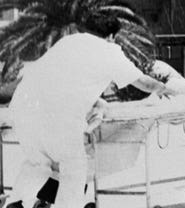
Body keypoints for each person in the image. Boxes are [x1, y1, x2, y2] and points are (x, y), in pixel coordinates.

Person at [7, 12, 172, 208]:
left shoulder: (67, 42)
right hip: (58, 117)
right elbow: (143, 82)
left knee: (38, 163)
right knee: (73, 168)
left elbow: (63, 80)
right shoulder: (109, 51)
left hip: (22, 110)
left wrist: (97, 103)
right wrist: (163, 88)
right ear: (111, 36)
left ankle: (15, 202)